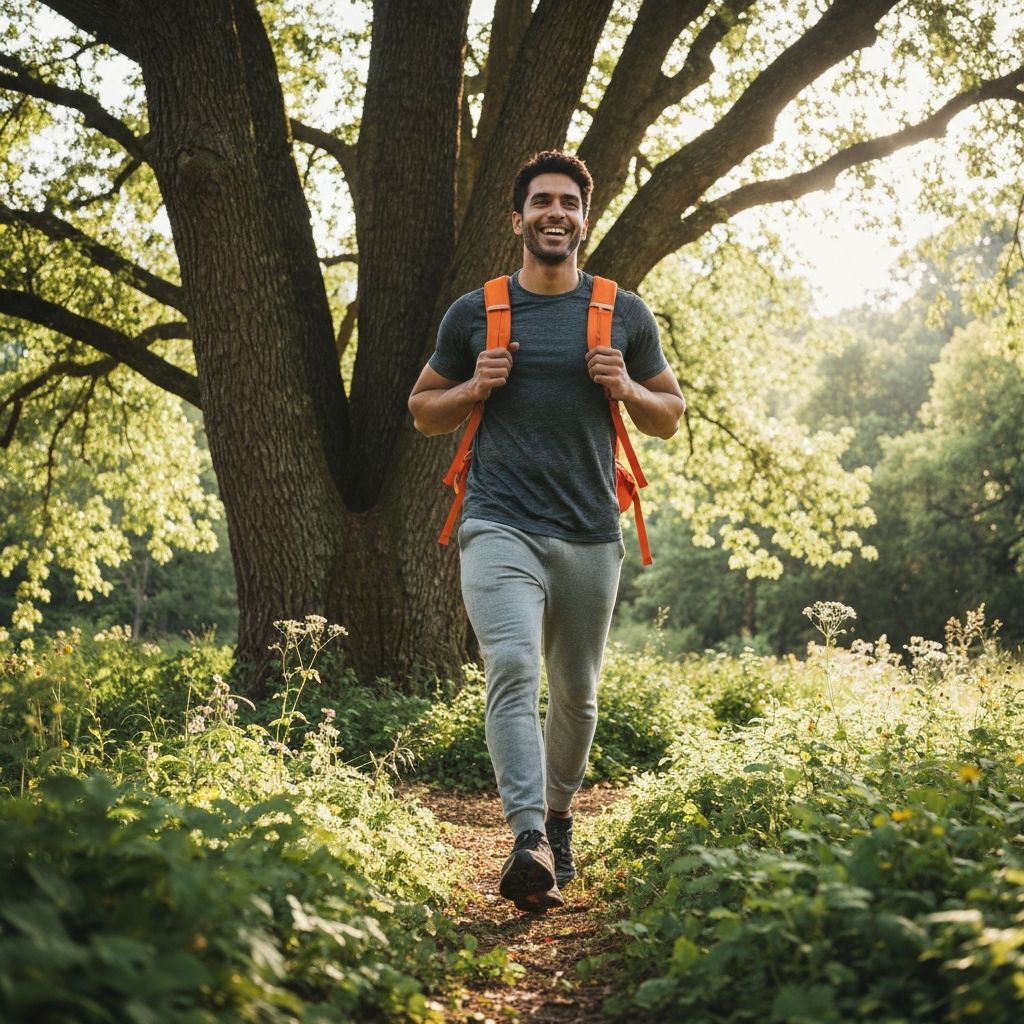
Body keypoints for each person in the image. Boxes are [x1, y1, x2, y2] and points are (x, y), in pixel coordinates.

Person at [408, 150, 684, 912]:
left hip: (591, 530)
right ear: (519, 218)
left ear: (584, 218)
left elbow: (668, 416)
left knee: (578, 695)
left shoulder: (623, 312)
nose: (554, 213)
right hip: (497, 522)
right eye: (541, 202)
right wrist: (473, 386)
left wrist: (625, 384)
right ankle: (526, 835)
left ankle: (560, 821)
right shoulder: (476, 311)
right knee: (511, 667)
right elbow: (422, 408)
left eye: (568, 202)